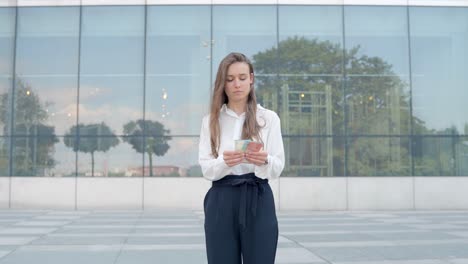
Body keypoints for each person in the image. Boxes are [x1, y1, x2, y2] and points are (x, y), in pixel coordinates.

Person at [198, 52, 285, 264]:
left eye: (242, 78)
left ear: (251, 79)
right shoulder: (211, 121)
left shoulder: (269, 118)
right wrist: (224, 162)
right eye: (230, 79)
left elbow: (278, 165)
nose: (237, 84)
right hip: (221, 199)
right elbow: (206, 168)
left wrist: (264, 160)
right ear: (223, 83)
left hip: (258, 197)